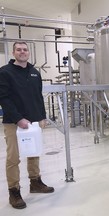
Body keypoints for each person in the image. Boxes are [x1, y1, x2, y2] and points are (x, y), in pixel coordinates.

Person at [0, 41, 54, 209]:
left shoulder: (34, 72)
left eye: (25, 50)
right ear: (14, 52)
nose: (22, 52)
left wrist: (42, 117)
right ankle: (14, 191)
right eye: (19, 50)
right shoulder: (5, 72)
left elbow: (38, 97)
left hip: (34, 122)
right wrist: (18, 119)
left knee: (34, 152)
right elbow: (3, 98)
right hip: (14, 123)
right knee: (13, 158)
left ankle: (35, 182)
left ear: (28, 53)